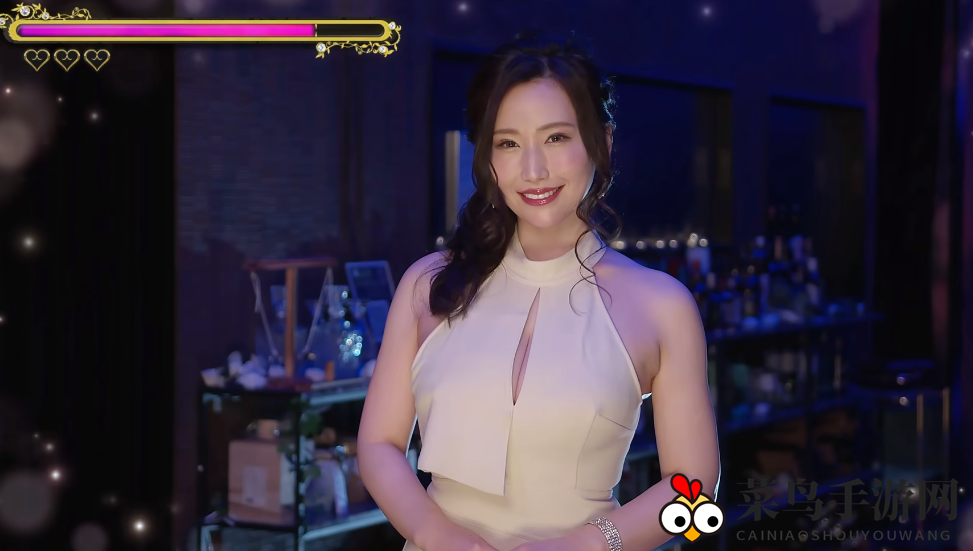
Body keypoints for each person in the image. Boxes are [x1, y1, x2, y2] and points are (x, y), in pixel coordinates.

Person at [358, 33, 720, 551]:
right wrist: (435, 533)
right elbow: (378, 444)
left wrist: (583, 546)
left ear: (603, 142)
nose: (533, 170)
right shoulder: (428, 283)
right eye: (508, 143)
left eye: (556, 138)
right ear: (487, 157)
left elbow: (696, 493)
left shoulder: (661, 305)